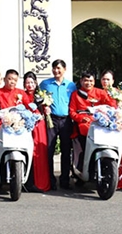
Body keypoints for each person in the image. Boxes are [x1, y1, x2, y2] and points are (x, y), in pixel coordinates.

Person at [40, 59, 76, 190]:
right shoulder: (45, 84)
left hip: (66, 121)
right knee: (49, 149)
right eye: (54, 68)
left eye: (59, 68)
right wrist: (44, 107)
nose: (56, 71)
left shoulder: (71, 85)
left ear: (64, 69)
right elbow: (38, 99)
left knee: (66, 151)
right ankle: (50, 180)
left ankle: (65, 179)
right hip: (52, 120)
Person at [68, 71, 111, 163]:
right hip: (83, 124)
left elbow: (110, 107)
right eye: (86, 81)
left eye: (91, 81)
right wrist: (80, 118)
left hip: (100, 124)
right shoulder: (76, 94)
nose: (88, 83)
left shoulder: (101, 93)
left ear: (94, 82)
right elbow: (72, 112)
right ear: (81, 81)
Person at [99, 70, 122, 190]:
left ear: (113, 81)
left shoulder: (119, 93)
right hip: (102, 125)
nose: (106, 81)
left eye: (108, 79)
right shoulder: (97, 93)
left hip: (117, 125)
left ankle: (121, 179)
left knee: (120, 150)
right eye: (103, 79)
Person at [22, 71, 50, 192]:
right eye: (27, 82)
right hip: (26, 126)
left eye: (32, 82)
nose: (30, 85)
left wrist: (46, 109)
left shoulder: (41, 94)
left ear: (36, 83)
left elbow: (45, 109)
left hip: (39, 127)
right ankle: (27, 181)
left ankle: (40, 182)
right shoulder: (21, 95)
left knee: (39, 152)